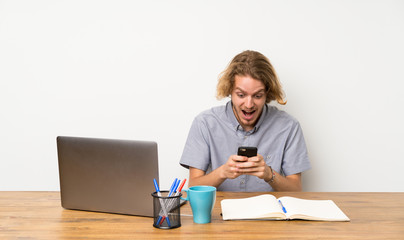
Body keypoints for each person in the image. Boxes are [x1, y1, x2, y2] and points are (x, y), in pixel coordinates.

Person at [179, 50, 311, 192]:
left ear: (267, 93)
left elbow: (296, 190)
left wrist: (269, 174)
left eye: (258, 95)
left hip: (269, 213)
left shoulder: (289, 126)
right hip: (220, 212)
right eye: (241, 95)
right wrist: (222, 172)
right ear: (230, 90)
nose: (249, 104)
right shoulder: (204, 123)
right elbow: (193, 186)